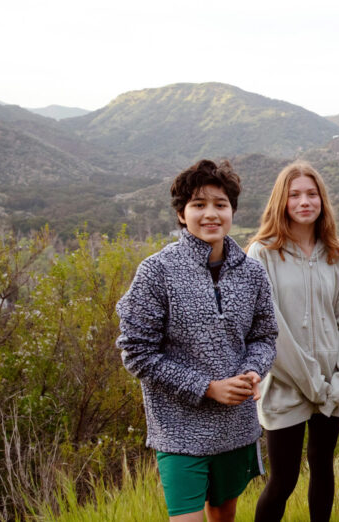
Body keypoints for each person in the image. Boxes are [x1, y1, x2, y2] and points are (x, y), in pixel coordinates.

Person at [116, 159, 277, 522]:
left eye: (220, 204)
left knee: (224, 517)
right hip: (178, 432)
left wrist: (253, 370)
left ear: (232, 211)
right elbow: (137, 354)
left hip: (236, 428)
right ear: (181, 214)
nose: (210, 214)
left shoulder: (252, 272)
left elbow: (264, 336)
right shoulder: (156, 271)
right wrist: (207, 387)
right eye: (198, 205)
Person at [247, 161, 339, 522]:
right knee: (283, 480)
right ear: (282, 201)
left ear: (322, 201)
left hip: (331, 388)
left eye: (311, 194)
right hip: (285, 385)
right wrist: (312, 381)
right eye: (294, 194)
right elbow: (268, 327)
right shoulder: (262, 254)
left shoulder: (336, 255)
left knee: (323, 470)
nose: (304, 201)